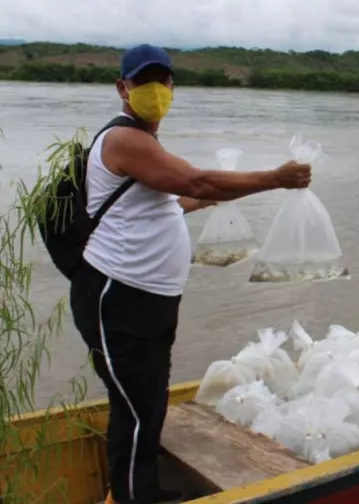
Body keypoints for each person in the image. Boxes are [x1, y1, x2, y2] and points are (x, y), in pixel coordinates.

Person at [68, 44, 311, 504]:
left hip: (148, 300)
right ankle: (135, 498)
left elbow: (171, 201)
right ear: (122, 88)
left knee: (145, 400)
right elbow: (198, 180)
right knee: (138, 408)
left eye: (162, 81)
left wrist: (206, 199)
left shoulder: (145, 143)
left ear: (172, 87)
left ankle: (137, 490)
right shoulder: (123, 139)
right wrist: (275, 178)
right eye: (143, 82)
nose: (155, 90)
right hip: (117, 296)